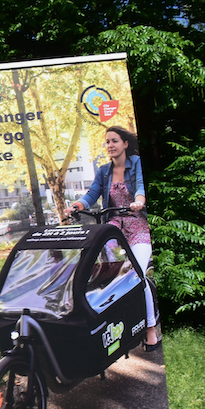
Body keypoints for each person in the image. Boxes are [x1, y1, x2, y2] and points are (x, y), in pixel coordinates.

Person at [65, 125, 161, 350]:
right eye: (107, 142)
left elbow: (140, 187)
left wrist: (139, 201)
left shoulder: (136, 163)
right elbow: (92, 194)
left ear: (125, 144)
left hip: (138, 226)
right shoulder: (103, 171)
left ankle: (150, 330)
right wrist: (77, 206)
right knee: (100, 268)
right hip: (115, 226)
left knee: (137, 275)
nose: (110, 145)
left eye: (115, 141)